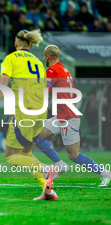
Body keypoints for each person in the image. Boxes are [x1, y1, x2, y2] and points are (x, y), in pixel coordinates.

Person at [0, 29, 57, 201]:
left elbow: (2, 87)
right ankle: (47, 191)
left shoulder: (11, 58)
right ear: (30, 44)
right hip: (40, 111)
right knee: (26, 153)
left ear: (15, 44)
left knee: (11, 156)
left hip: (25, 111)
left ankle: (45, 168)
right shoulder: (38, 62)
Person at [34, 45, 110, 187]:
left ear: (47, 57)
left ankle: (105, 173)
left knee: (74, 155)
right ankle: (60, 165)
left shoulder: (52, 70)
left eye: (44, 57)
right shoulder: (63, 69)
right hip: (62, 115)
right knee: (39, 136)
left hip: (68, 117)